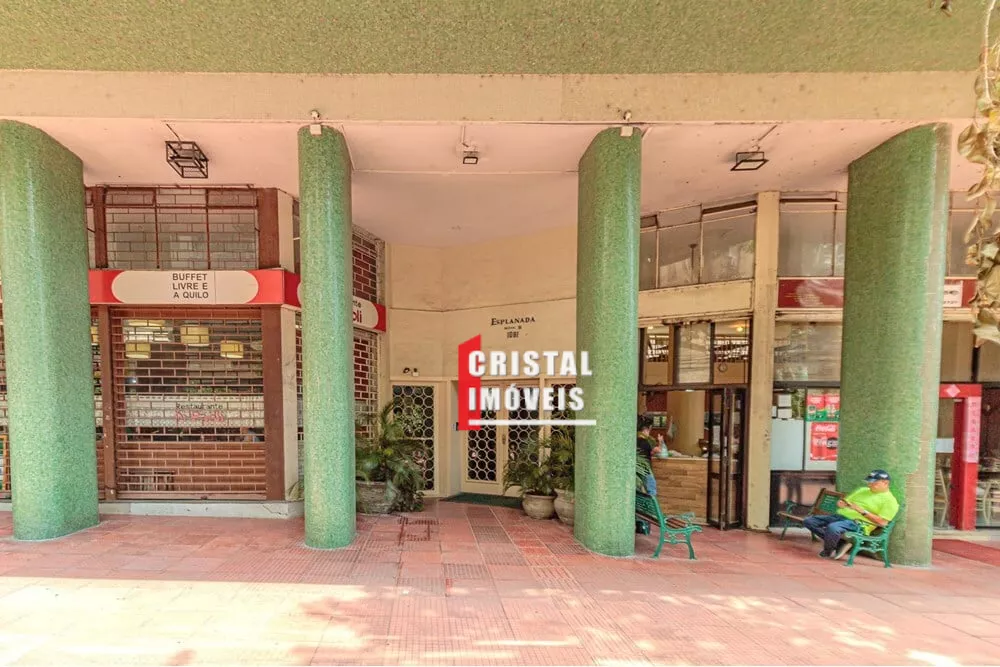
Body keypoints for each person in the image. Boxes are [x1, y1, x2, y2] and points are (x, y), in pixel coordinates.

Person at [804, 469, 899, 560]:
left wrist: (862, 511)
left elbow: (883, 523)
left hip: (859, 523)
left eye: (874, 483)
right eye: (869, 482)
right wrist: (841, 503)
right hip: (840, 516)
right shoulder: (862, 490)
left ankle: (828, 550)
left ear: (885, 483)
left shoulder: (890, 501)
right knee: (809, 521)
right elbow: (845, 501)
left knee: (833, 527)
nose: (870, 484)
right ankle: (839, 543)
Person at [636, 414, 665, 496]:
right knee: (651, 491)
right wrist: (660, 441)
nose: (649, 432)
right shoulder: (646, 440)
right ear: (645, 429)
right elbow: (659, 451)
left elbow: (649, 452)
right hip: (646, 471)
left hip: (637, 471)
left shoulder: (634, 439)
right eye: (649, 430)